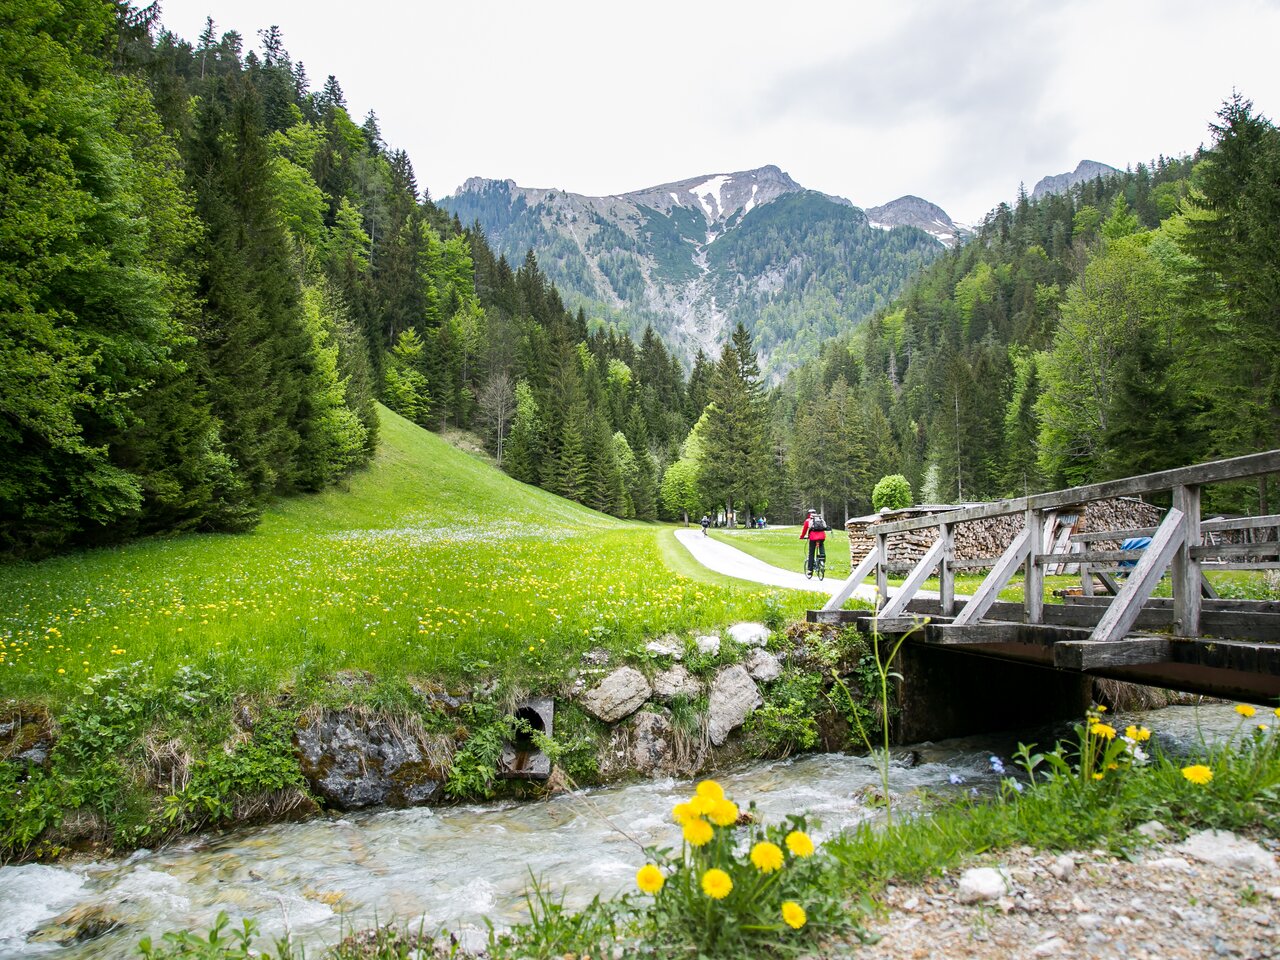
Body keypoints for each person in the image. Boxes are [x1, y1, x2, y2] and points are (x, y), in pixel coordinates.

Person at [799, 509, 827, 575]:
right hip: (822, 537)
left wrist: (802, 536)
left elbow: (804, 530)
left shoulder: (808, 521)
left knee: (811, 553)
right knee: (821, 549)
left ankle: (810, 570)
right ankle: (822, 562)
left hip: (813, 538)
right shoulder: (820, 519)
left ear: (809, 514)